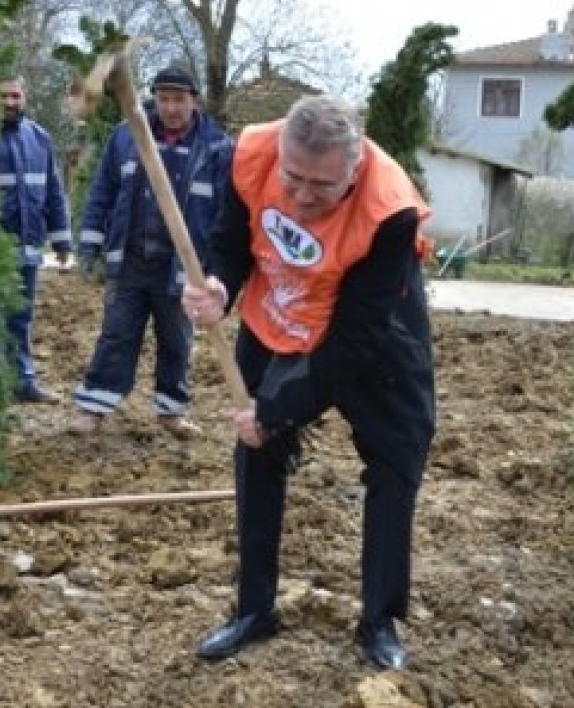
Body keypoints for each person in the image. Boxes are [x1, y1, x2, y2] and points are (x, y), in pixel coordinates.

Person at [183, 95, 436, 670]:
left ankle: (380, 619)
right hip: (282, 307)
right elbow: (230, 238)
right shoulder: (248, 155)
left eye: (320, 186)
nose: (299, 197)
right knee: (255, 452)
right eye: (292, 177)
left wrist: (280, 407)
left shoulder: (391, 208)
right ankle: (254, 609)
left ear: (355, 167)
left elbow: (353, 338)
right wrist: (219, 286)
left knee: (397, 460)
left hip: (371, 331)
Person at [69, 66, 232, 440]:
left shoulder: (217, 147)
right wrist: (90, 244)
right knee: (116, 333)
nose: (171, 108)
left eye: (179, 100)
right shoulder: (127, 136)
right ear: (154, 99)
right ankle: (94, 406)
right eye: (163, 99)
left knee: (176, 339)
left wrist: (216, 268)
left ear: (195, 101)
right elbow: (102, 193)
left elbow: (227, 213)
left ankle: (171, 411)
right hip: (131, 259)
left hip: (182, 267)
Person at [0, 75, 72, 404]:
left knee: (21, 317)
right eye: (3, 96)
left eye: (16, 95)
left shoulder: (39, 138)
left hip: (27, 245)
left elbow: (53, 192)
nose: (10, 102)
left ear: (25, 96)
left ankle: (22, 382)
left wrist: (62, 240)